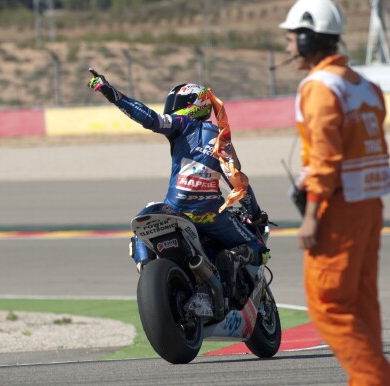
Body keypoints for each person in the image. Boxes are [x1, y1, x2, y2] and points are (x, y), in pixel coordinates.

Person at [278, 0, 390, 385]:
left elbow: (326, 161)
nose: (287, 47)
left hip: (338, 208)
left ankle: (375, 380)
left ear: (309, 36)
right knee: (362, 303)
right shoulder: (365, 86)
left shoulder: (318, 88)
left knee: (328, 304)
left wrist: (312, 215)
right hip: (369, 206)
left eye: (291, 37)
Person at [87, 69, 269, 279]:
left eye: (177, 104)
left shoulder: (181, 124)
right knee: (258, 248)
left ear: (195, 104)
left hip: (174, 207)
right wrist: (255, 214)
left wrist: (113, 94)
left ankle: (146, 268)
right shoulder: (222, 140)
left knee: (140, 230)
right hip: (210, 213)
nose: (172, 109)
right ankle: (234, 258)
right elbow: (238, 183)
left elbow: (149, 118)